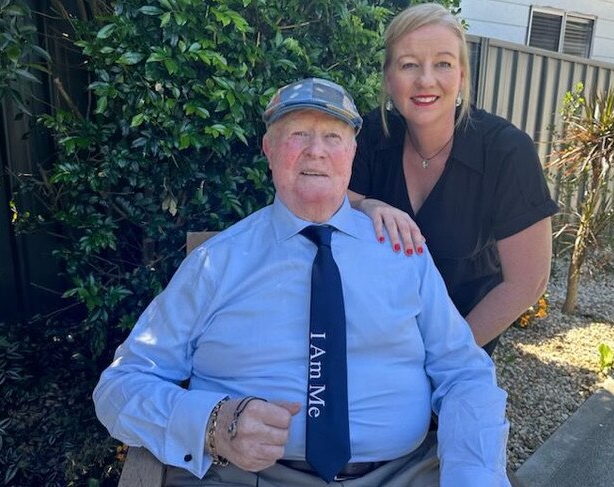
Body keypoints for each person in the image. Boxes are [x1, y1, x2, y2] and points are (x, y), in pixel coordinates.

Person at [94, 77, 511, 487]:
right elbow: (120, 385)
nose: (317, 151)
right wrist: (214, 423)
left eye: (333, 136)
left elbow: (463, 372)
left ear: (352, 153)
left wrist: (472, 474)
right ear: (269, 150)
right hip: (247, 477)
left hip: (401, 474)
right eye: (297, 135)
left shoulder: (403, 254)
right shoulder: (216, 263)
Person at [348, 3, 558, 355]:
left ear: (462, 76)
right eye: (409, 64)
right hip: (373, 342)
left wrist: (445, 357)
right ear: (388, 78)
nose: (425, 80)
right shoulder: (372, 136)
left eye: (443, 63)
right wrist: (367, 205)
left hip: (463, 341)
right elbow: (334, 212)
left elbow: (527, 281)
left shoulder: (505, 151)